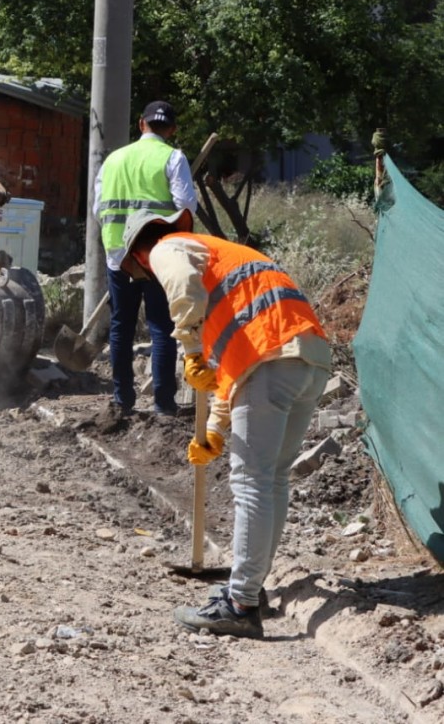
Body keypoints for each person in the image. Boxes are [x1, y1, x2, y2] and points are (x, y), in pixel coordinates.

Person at [118, 209, 332, 639]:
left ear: (139, 257)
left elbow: (179, 285)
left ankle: (240, 603)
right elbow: (230, 371)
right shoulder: (223, 263)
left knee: (253, 481)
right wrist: (215, 429)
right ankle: (252, 589)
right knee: (272, 479)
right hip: (307, 358)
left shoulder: (168, 248)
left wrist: (190, 348)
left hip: (271, 359)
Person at [92, 100, 198, 416]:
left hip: (119, 256)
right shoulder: (173, 158)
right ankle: (164, 404)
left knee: (121, 326)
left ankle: (123, 401)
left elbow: (99, 208)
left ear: (141, 124)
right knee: (161, 326)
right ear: (173, 130)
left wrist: (121, 242)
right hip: (157, 256)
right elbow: (186, 208)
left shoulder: (112, 160)